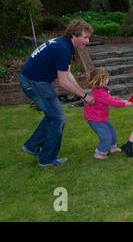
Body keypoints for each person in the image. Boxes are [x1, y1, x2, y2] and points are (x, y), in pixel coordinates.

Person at [20, 19, 95, 167]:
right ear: (74, 35)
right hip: (34, 82)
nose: (87, 41)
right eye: (85, 37)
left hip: (34, 80)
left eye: (88, 37)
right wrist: (85, 96)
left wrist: (82, 92)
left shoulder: (64, 44)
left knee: (52, 116)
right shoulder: (63, 48)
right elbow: (63, 82)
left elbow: (68, 74)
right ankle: (47, 159)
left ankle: (32, 146)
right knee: (58, 118)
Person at [83, 68, 133, 159]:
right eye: (106, 78)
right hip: (95, 119)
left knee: (111, 130)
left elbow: (111, 98)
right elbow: (111, 101)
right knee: (106, 136)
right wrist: (125, 103)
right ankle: (99, 153)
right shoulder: (99, 93)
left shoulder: (101, 90)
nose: (107, 80)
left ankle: (112, 147)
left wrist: (123, 100)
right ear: (100, 80)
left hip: (100, 117)